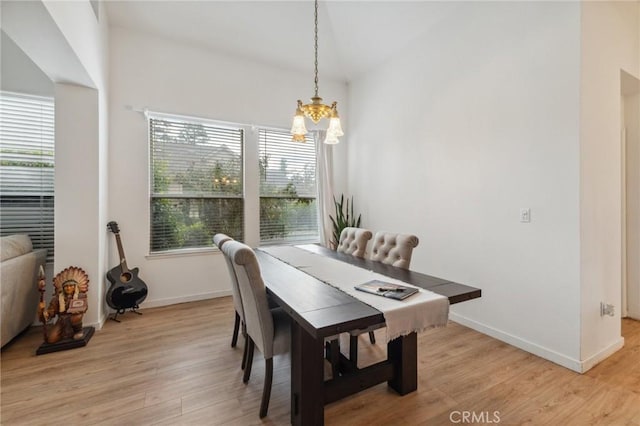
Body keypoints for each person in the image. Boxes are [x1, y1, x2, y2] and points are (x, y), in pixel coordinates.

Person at [38, 267, 89, 344]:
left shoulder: (80, 296)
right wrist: (44, 312)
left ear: (75, 287)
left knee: (76, 317)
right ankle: (65, 333)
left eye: (71, 286)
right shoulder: (57, 299)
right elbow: (51, 311)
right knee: (51, 339)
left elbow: (84, 307)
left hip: (74, 317)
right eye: (66, 286)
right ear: (63, 288)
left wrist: (77, 309)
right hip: (62, 320)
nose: (68, 288)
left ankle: (78, 331)